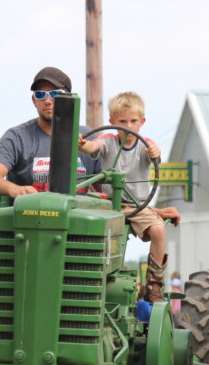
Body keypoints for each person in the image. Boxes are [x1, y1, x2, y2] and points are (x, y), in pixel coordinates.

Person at [77, 91, 181, 303]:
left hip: (136, 206)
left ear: (142, 121)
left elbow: (154, 153)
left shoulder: (145, 144)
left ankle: (153, 286)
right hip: (107, 205)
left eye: (133, 121)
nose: (129, 126)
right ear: (112, 122)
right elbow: (93, 146)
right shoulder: (107, 141)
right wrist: (82, 144)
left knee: (159, 230)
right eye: (122, 121)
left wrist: (155, 154)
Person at [0, 66, 101, 198]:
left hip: (77, 216)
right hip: (31, 215)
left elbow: (106, 187)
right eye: (40, 95)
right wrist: (14, 189)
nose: (48, 101)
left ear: (69, 98)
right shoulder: (17, 138)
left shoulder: (89, 138)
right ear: (34, 101)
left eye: (55, 94)